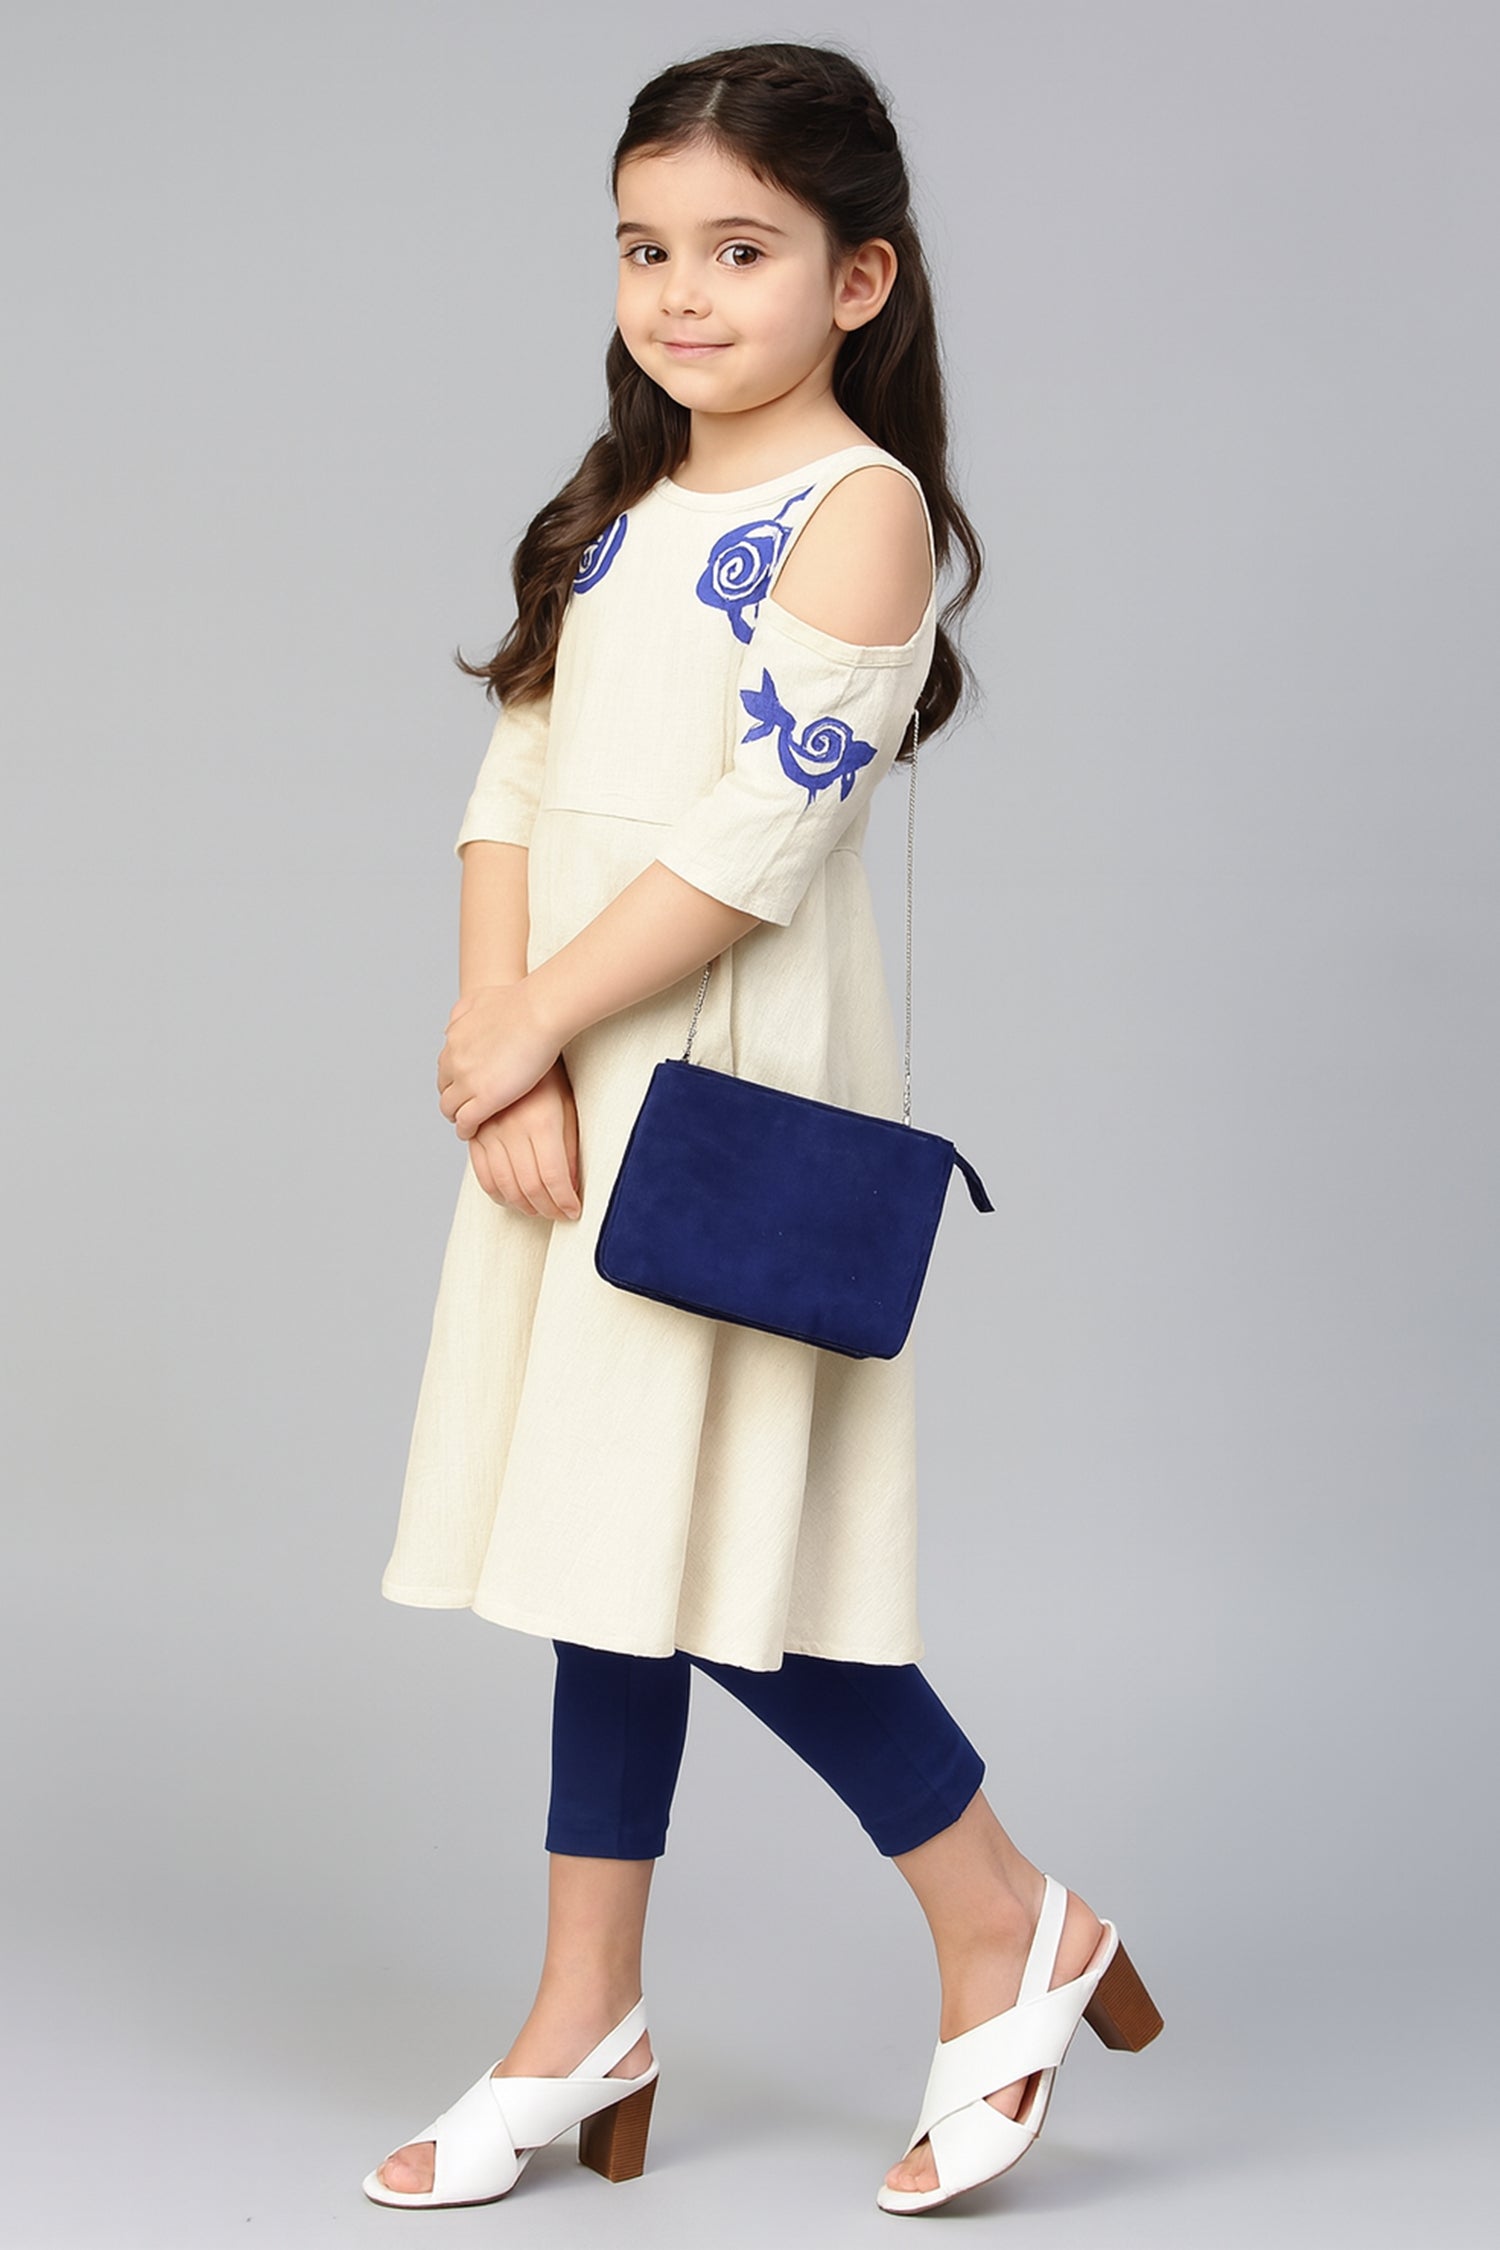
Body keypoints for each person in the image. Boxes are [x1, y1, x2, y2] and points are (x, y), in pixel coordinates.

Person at [363, 38, 1161, 2219]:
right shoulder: (612, 512)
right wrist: (499, 1041)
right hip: (563, 1075)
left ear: (857, 277)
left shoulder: (859, 511)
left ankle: (1003, 1917)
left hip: (718, 1098)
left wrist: (534, 1024)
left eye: (741, 250)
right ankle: (584, 2010)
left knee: (721, 1557)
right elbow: (515, 782)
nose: (683, 294)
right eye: (647, 249)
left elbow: (754, 846)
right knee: (600, 1553)